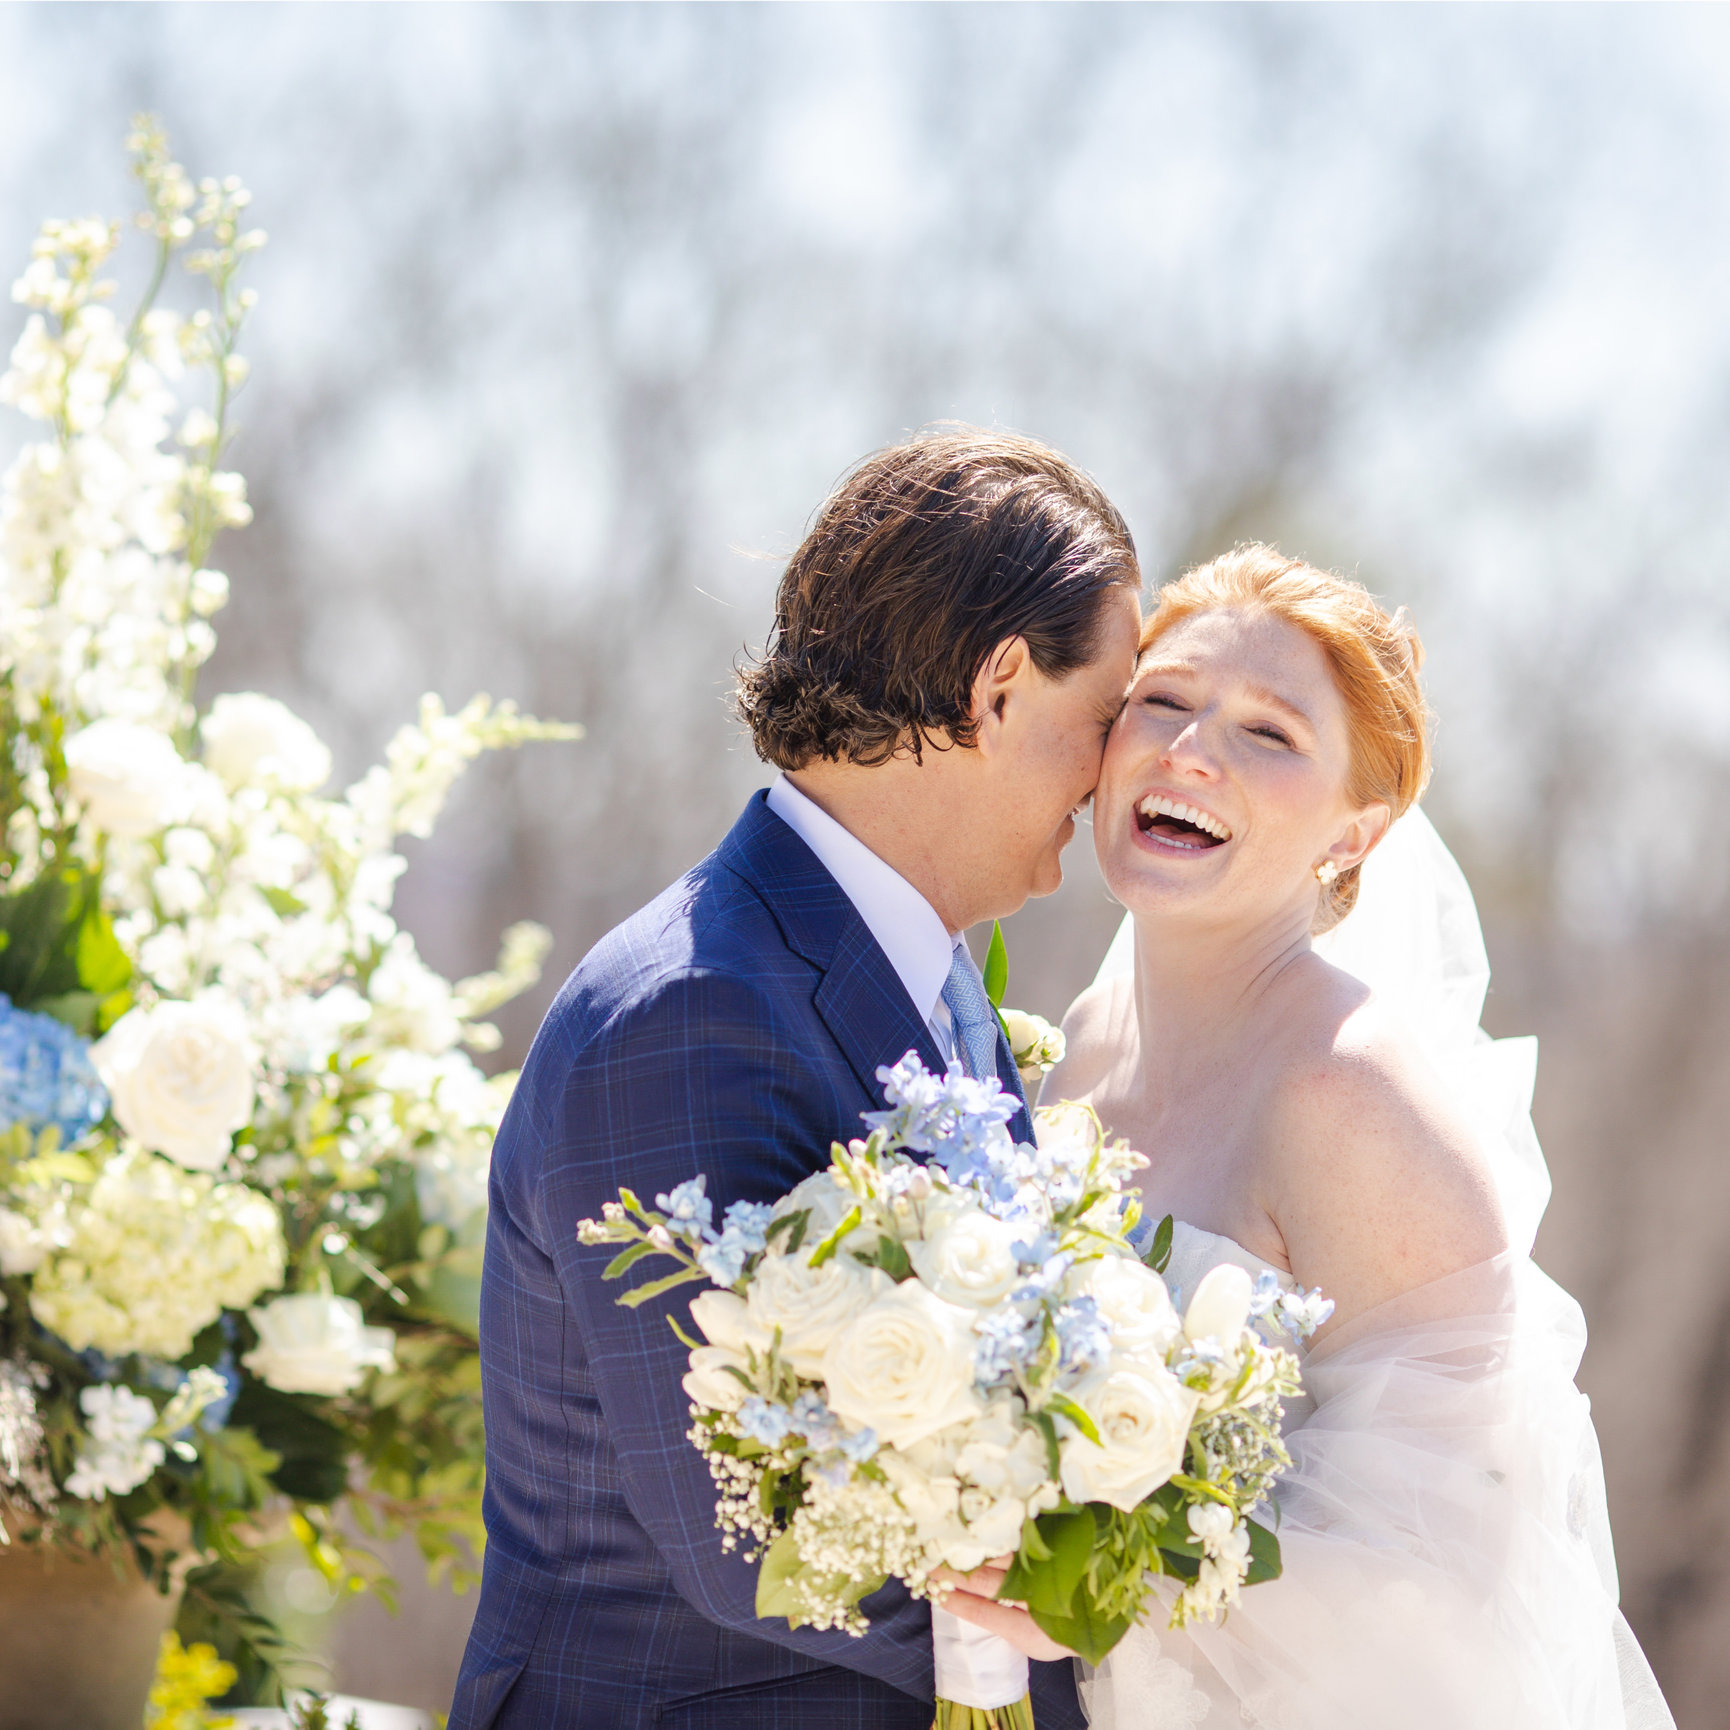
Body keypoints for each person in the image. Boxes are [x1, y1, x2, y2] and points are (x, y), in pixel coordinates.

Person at [448, 427, 1142, 1729]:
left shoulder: (935, 974)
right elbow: (756, 1529)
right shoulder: (693, 1012)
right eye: (1101, 717)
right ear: (996, 691)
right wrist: (1137, 1603)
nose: (1115, 768)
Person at [937, 545, 1677, 1729]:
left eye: (1268, 734)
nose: (1189, 751)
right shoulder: (1074, 1042)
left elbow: (1454, 1557)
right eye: (1164, 703)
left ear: (1354, 836)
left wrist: (1112, 1587)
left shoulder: (1350, 1093)